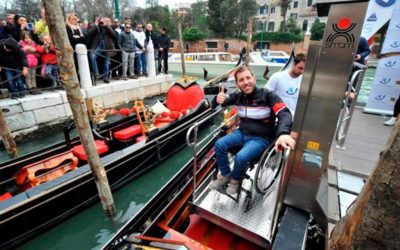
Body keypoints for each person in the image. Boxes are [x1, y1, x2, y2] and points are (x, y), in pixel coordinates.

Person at [209, 66, 295, 195]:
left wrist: (283, 133)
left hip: (260, 138)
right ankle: (226, 175)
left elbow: (284, 113)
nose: (246, 82)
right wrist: (216, 100)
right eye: (241, 80)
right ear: (237, 84)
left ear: (254, 79)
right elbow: (219, 103)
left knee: (241, 156)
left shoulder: (268, 95)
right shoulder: (238, 96)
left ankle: (234, 180)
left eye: (248, 78)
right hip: (242, 132)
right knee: (219, 144)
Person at [87, 17, 116, 83]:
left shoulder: (108, 27)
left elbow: (113, 34)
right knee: (92, 56)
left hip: (107, 47)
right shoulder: (96, 27)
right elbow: (89, 33)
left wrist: (106, 25)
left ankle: (105, 77)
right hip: (98, 46)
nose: (102, 22)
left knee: (107, 62)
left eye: (103, 21)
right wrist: (95, 25)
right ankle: (96, 73)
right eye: (101, 21)